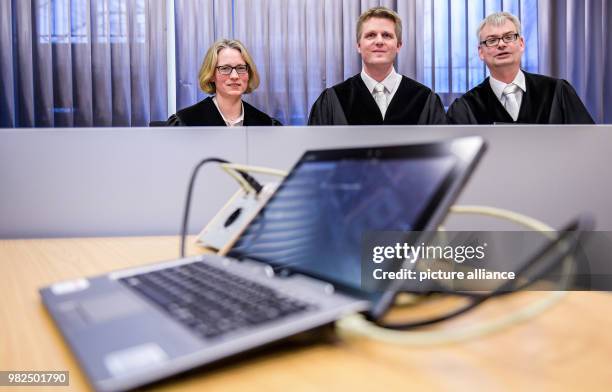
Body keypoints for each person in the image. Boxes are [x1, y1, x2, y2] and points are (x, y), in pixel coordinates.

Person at [447, 12, 594, 124]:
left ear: (521, 43)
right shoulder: (465, 108)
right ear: (481, 52)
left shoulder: (557, 92)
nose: (501, 44)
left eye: (509, 37)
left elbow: (587, 143)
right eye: (492, 40)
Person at [308, 7, 446, 125]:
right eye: (371, 35)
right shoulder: (332, 101)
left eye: (387, 35)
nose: (379, 41)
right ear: (358, 46)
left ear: (398, 45)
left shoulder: (425, 100)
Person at [167, 39, 279, 126]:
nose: (234, 76)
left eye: (240, 68)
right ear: (211, 75)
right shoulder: (186, 122)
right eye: (225, 68)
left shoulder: (265, 124)